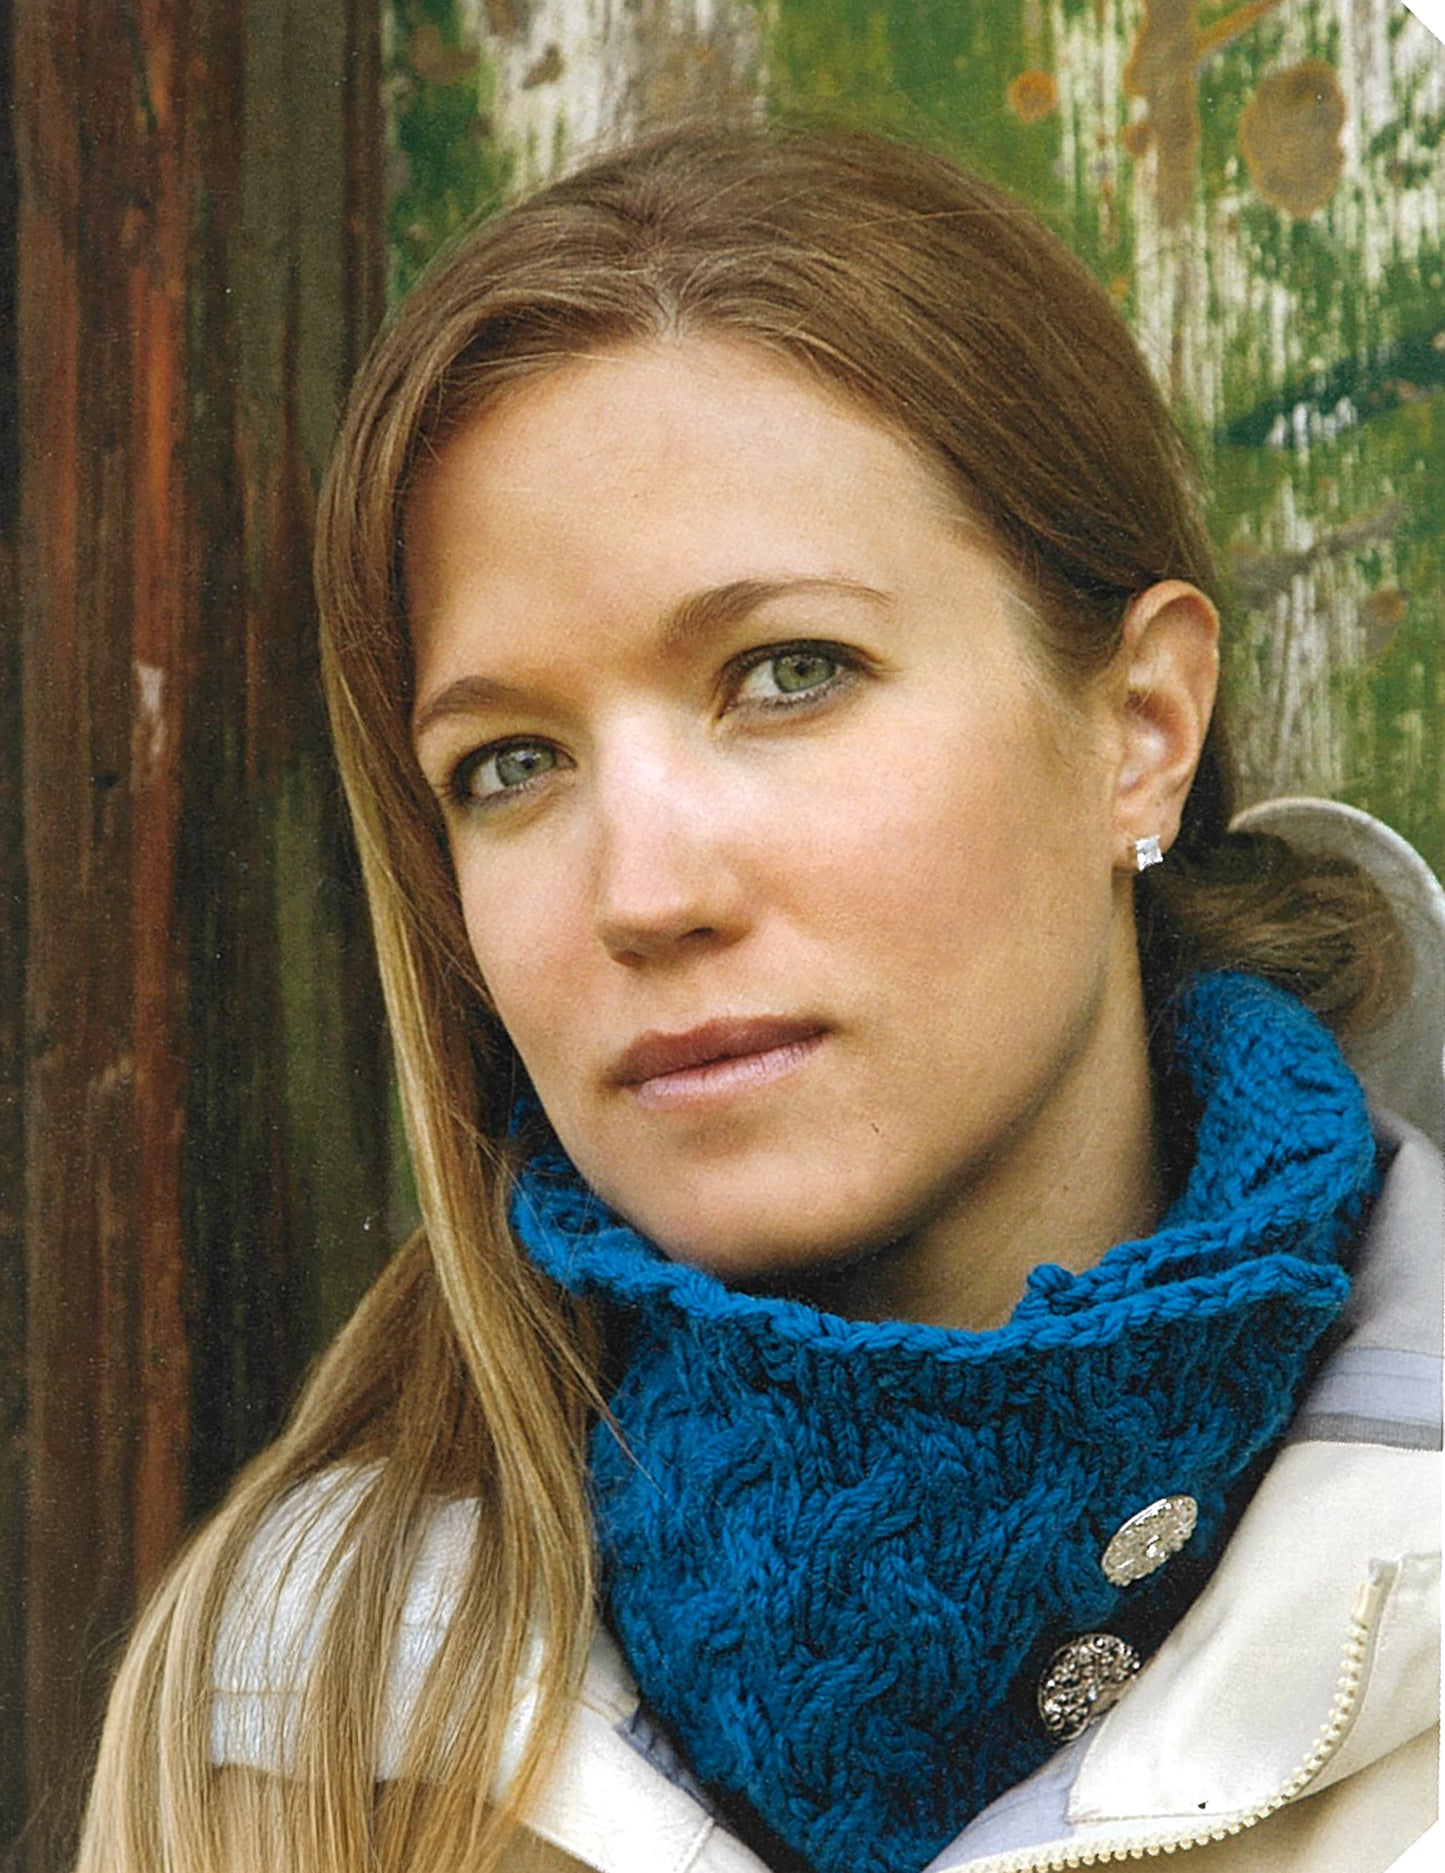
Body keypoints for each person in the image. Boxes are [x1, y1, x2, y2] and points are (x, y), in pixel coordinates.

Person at [77, 123, 1440, 1873]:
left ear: (1139, 729)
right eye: (509, 762)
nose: (646, 892)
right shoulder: (295, 1727)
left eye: (788, 673)